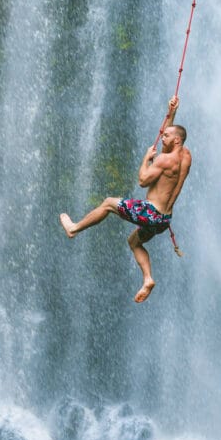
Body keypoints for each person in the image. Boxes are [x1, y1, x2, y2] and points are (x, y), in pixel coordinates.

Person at [60, 95, 192, 303]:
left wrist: (146, 159)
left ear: (176, 140)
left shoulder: (164, 160)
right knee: (134, 242)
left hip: (150, 213)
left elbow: (143, 181)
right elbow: (170, 141)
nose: (162, 137)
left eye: (166, 136)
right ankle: (147, 279)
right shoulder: (186, 156)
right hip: (163, 220)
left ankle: (74, 229)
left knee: (108, 203)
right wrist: (172, 112)